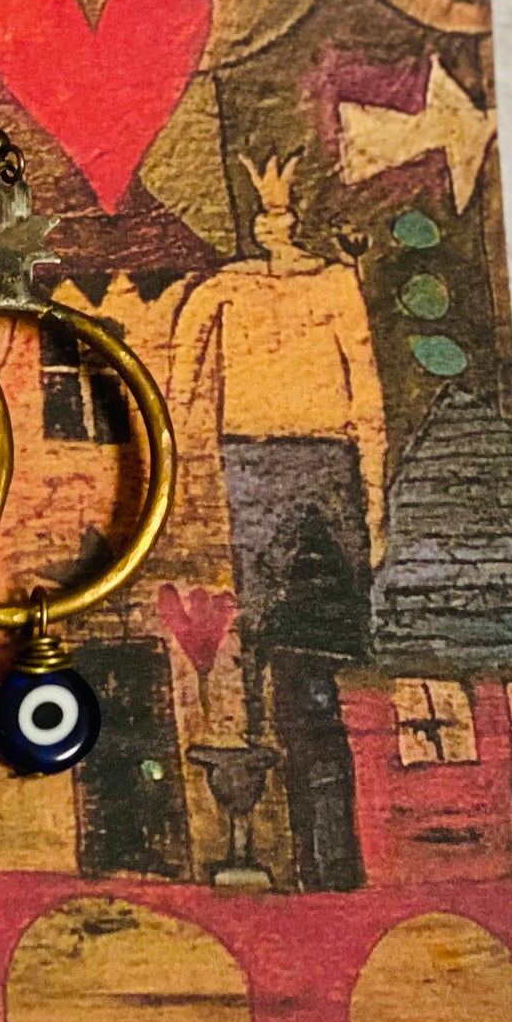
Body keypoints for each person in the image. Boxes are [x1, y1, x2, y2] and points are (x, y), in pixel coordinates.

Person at [167, 154, 387, 738]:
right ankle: (258, 723)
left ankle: (356, 721)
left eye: (279, 214)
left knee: (345, 588)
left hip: (326, 450)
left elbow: (365, 380)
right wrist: (175, 440)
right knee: (260, 595)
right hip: (253, 452)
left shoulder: (333, 282)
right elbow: (184, 359)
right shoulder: (227, 285)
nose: (272, 226)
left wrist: (374, 484)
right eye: (266, 215)